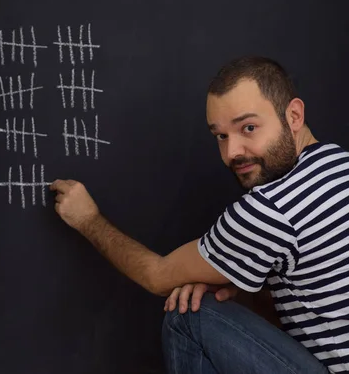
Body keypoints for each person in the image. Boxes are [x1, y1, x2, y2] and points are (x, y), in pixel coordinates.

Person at [51, 56, 349, 373]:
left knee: (188, 318)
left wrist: (88, 220)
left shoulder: (270, 208)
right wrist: (240, 283)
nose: (232, 151)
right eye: (221, 135)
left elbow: (158, 276)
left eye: (248, 128)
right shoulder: (339, 165)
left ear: (293, 116)